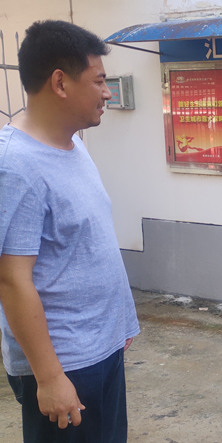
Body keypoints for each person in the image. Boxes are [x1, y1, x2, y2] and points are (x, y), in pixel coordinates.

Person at [0, 20, 140, 442]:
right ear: (60, 83)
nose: (107, 92)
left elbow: (84, 245)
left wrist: (118, 326)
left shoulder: (73, 143)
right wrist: (49, 377)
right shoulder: (15, 166)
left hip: (99, 348)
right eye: (98, 81)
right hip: (65, 364)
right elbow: (11, 279)